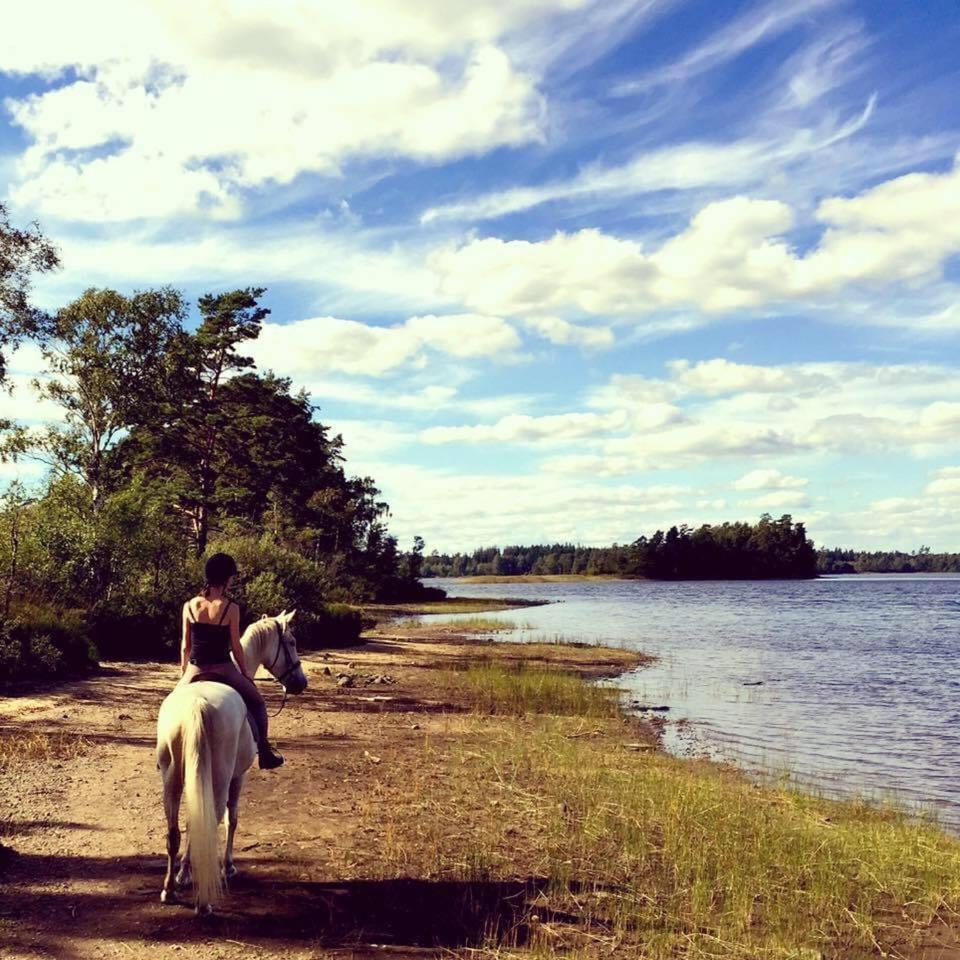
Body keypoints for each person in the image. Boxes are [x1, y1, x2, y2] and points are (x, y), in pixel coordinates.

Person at [178, 552, 285, 770]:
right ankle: (264, 752)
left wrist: (183, 673)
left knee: (170, 702)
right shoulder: (231, 608)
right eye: (232, 577)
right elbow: (236, 647)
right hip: (223, 669)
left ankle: (163, 755)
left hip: (195, 667)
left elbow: (185, 646)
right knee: (257, 702)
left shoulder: (189, 606)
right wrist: (245, 673)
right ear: (226, 578)